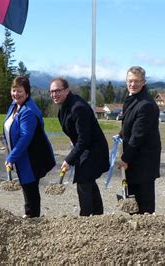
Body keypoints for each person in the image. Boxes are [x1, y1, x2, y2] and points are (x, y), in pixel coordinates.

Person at [50, 77, 108, 216]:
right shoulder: (64, 107)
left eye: (58, 91)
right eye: (51, 92)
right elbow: (76, 135)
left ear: (67, 90)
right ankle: (98, 215)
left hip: (94, 150)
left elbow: (84, 139)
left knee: (83, 180)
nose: (54, 94)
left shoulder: (78, 107)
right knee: (88, 180)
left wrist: (69, 159)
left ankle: (85, 218)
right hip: (85, 148)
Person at [3, 76, 55, 218]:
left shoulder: (28, 111)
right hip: (21, 155)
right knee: (26, 186)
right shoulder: (14, 106)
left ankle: (33, 218)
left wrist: (11, 157)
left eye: (20, 91)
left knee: (30, 187)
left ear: (27, 92)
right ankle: (30, 215)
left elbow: (25, 137)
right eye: (14, 90)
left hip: (32, 157)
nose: (16, 94)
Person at [117, 66, 161, 215]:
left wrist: (125, 158)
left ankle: (146, 232)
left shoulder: (146, 104)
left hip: (144, 162)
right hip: (134, 158)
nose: (133, 84)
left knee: (144, 204)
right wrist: (120, 135)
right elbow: (128, 125)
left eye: (137, 81)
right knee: (133, 200)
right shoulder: (131, 99)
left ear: (144, 82)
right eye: (130, 81)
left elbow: (138, 135)